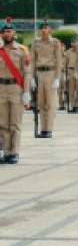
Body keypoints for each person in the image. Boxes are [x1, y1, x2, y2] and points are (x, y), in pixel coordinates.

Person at [0, 17, 31, 164]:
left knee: (15, 123)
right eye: (4, 32)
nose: (7, 34)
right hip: (1, 88)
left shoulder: (22, 51)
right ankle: (6, 152)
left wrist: (26, 92)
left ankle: (14, 152)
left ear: (14, 33)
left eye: (9, 31)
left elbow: (27, 72)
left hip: (15, 88)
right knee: (3, 123)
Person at [29, 18, 62, 138]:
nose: (44, 30)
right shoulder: (36, 43)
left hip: (50, 73)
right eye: (42, 28)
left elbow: (59, 61)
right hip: (39, 73)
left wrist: (57, 78)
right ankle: (43, 128)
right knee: (41, 103)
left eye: (46, 28)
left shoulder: (55, 43)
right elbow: (32, 60)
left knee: (49, 102)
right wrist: (32, 77)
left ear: (49, 30)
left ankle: (49, 128)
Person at [64, 40, 78, 114]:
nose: (74, 44)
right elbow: (65, 63)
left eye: (75, 42)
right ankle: (74, 106)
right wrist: (65, 74)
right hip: (70, 70)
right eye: (72, 42)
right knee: (71, 90)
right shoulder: (68, 52)